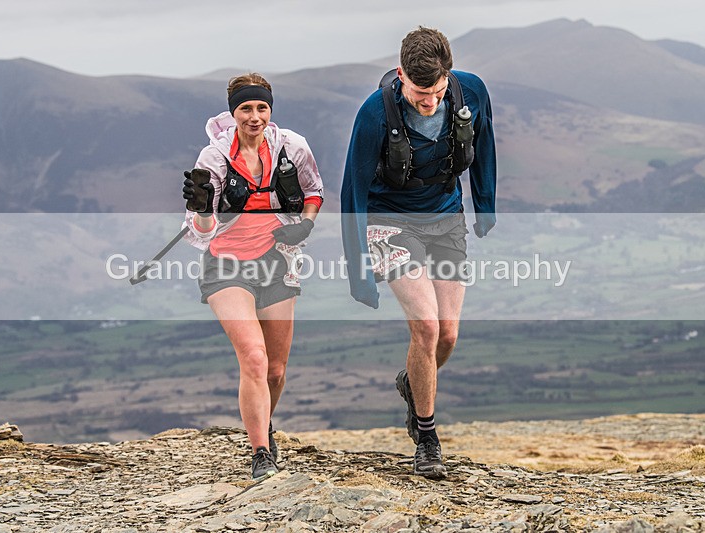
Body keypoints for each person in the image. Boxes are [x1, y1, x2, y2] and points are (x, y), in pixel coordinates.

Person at [340, 27, 496, 478]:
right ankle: (427, 438)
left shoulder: (471, 91)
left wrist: (485, 205)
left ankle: (412, 382)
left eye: (437, 91)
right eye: (419, 92)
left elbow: (484, 143)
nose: (429, 102)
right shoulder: (374, 113)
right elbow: (353, 192)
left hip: (446, 217)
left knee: (447, 336)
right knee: (425, 327)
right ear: (401, 74)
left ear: (449, 75)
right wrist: (359, 272)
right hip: (389, 221)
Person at [181, 73, 323, 480]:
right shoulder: (213, 159)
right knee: (254, 358)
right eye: (246, 108)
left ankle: (264, 424)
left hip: (278, 260)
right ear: (233, 113)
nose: (255, 116)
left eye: (262, 107)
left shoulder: (291, 146)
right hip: (225, 264)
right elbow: (200, 232)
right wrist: (202, 209)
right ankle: (261, 452)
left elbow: (314, 190)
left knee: (275, 369)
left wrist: (305, 225)